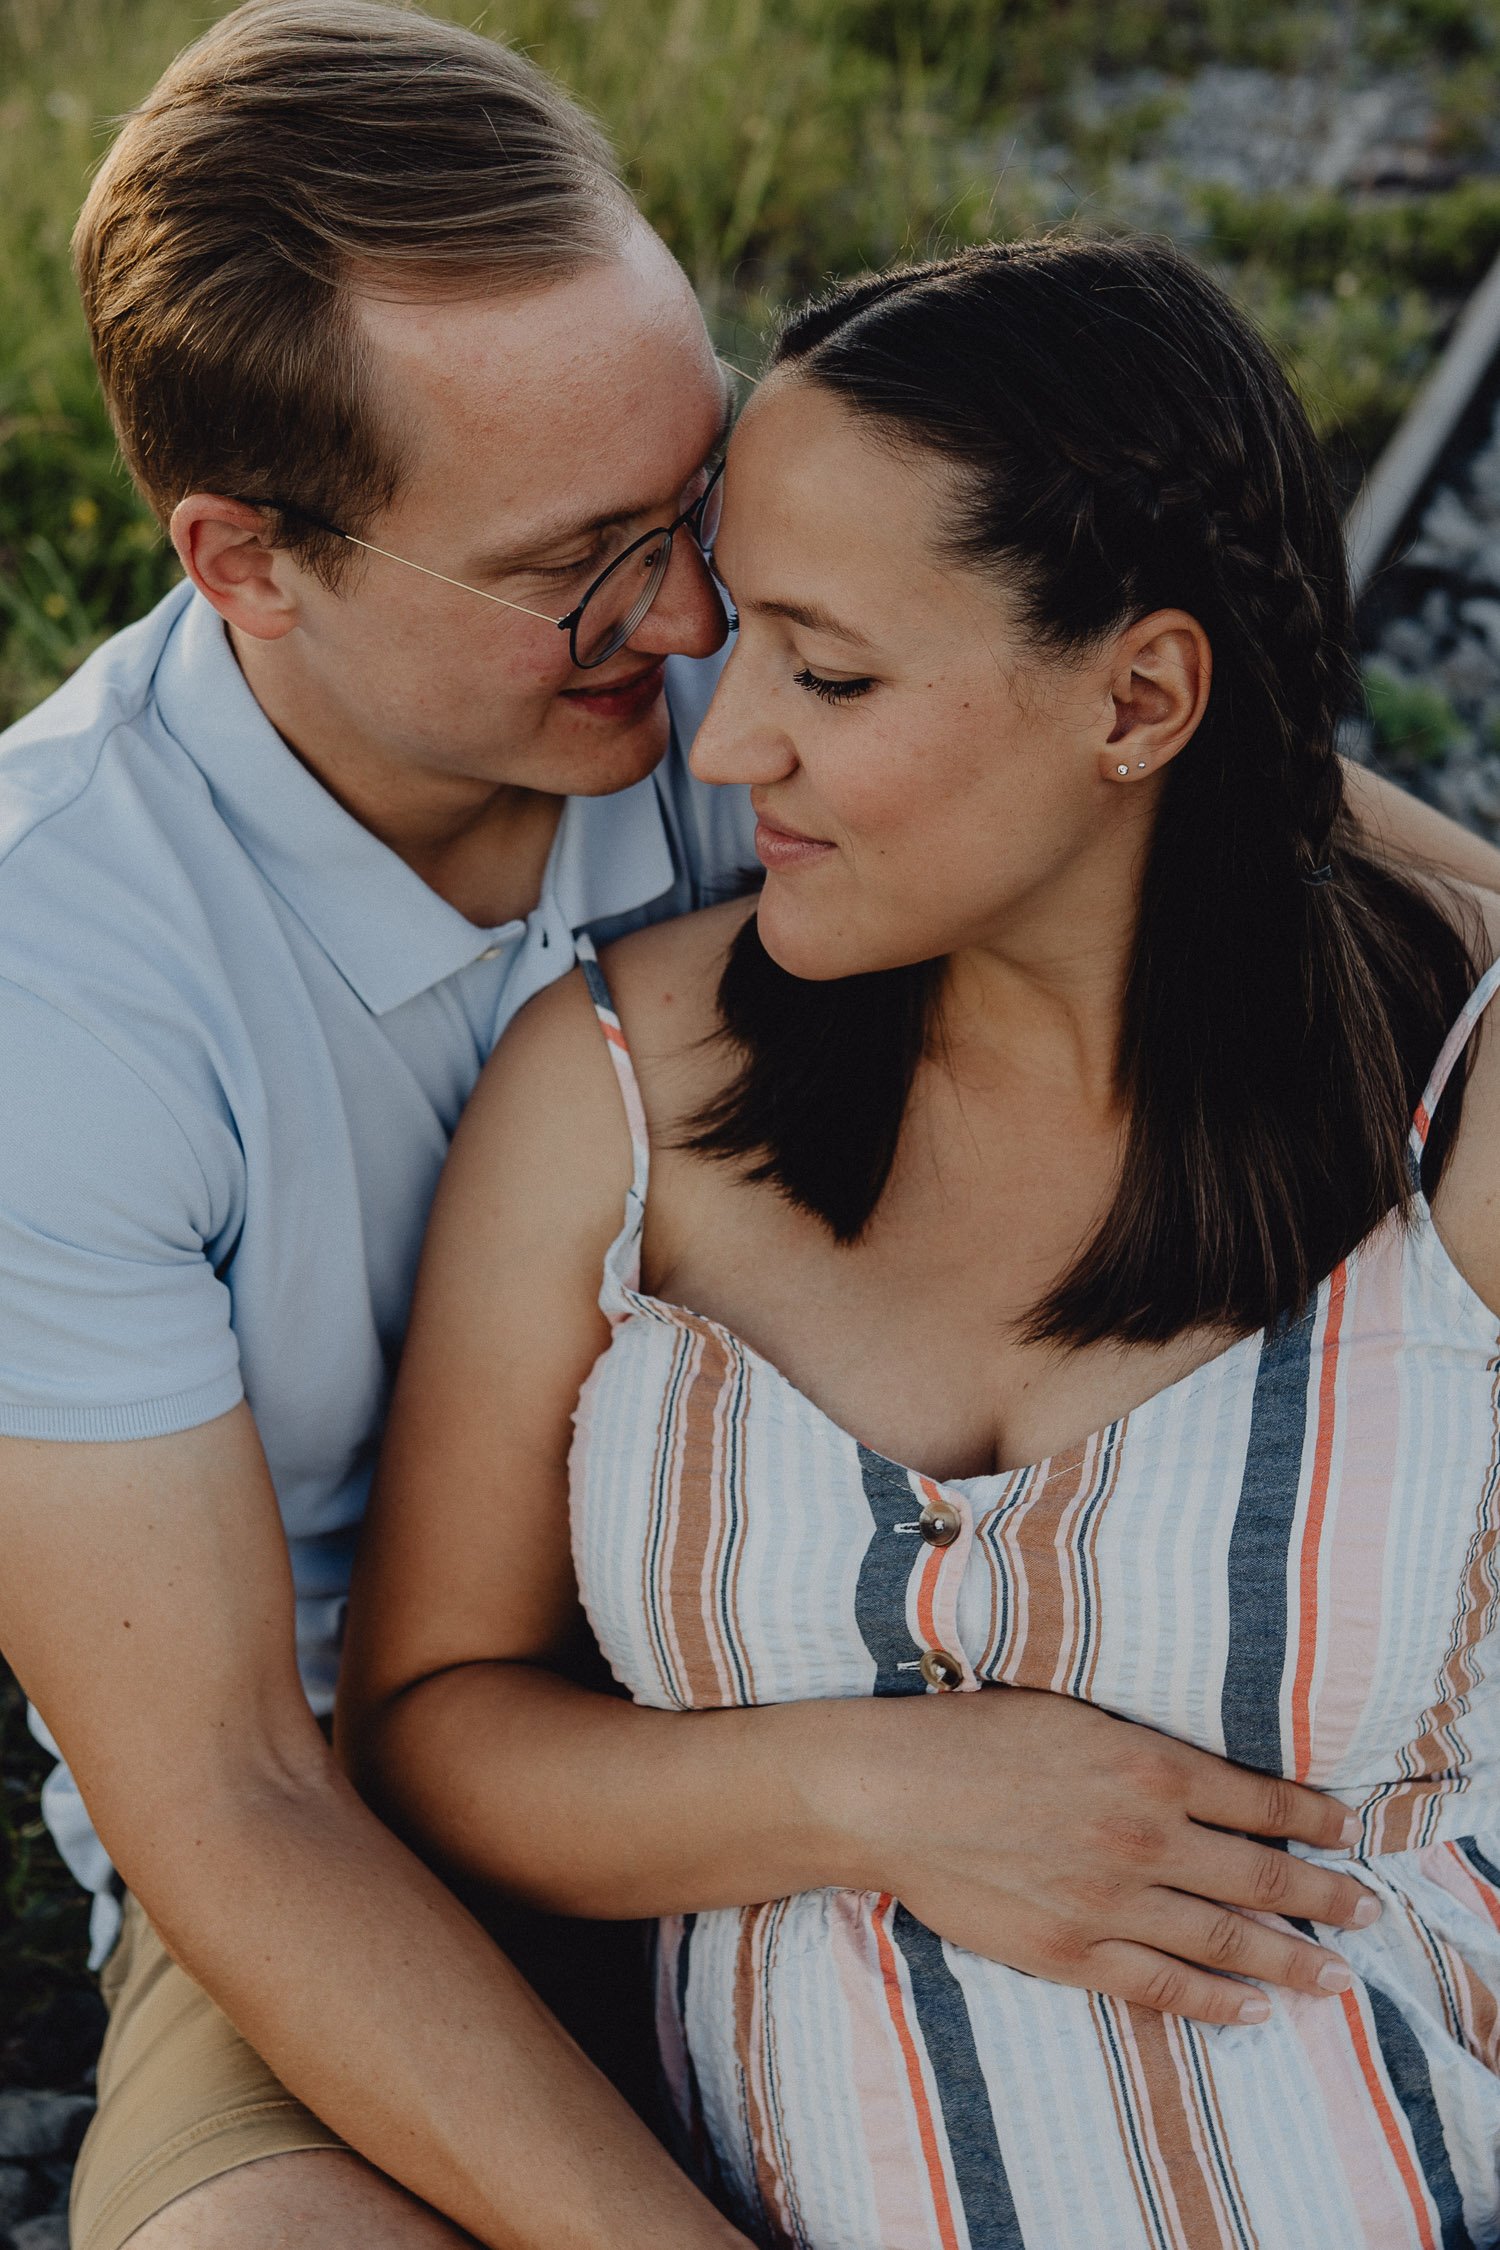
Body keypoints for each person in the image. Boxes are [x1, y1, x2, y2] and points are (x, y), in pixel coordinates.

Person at [0, 6, 1492, 2247]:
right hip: (379, 1845)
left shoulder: (754, 621)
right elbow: (235, 1795)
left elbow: (1236, 792)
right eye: (585, 562)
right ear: (246, 562)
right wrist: (855, 1801)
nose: (694, 632)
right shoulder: (55, 982)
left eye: (692, 499)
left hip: (977, 1657)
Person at [345, 235, 1500, 2247]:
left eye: (832, 671)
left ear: (1141, 695)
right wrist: (862, 1790)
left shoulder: (1451, 1108)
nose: (724, 747)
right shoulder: (617, 1093)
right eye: (747, 647)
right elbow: (433, 1720)